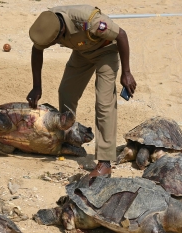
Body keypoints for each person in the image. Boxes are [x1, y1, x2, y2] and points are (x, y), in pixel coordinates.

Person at [27, 5, 137, 178]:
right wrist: (36, 86)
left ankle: (105, 162)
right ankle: (69, 139)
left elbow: (121, 35)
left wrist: (127, 72)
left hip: (106, 51)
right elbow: (37, 49)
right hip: (82, 52)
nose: (54, 44)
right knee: (66, 92)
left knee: (104, 103)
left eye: (56, 41)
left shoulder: (89, 21)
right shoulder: (48, 24)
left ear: (61, 32)